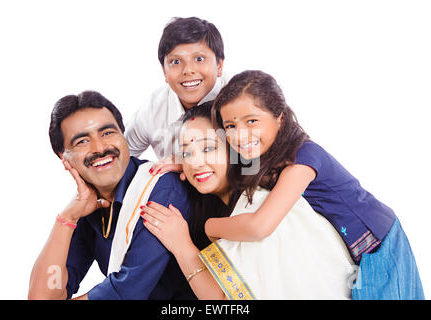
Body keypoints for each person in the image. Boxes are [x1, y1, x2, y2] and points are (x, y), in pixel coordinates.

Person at [204, 70, 424, 300]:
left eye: (252, 121)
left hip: (379, 244)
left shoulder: (304, 158)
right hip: (350, 254)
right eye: (230, 126)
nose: (240, 136)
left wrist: (210, 227)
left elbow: (260, 227)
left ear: (279, 117)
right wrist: (184, 163)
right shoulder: (261, 157)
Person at [140, 102, 355, 299]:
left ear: (237, 150)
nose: (195, 163)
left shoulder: (261, 205)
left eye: (208, 148)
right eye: (186, 153)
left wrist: (182, 246)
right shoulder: (228, 210)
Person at [28, 90, 193, 300]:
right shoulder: (88, 204)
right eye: (82, 142)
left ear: (123, 135)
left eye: (107, 133)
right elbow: (44, 295)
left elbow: (128, 292)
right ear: (63, 157)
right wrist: (67, 219)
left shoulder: (161, 187)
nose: (100, 148)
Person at [124, 16, 227, 162]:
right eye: (176, 61)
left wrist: (183, 164)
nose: (188, 70)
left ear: (219, 65)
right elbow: (121, 158)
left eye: (199, 59)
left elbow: (256, 164)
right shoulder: (153, 109)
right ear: (164, 71)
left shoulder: (242, 100)